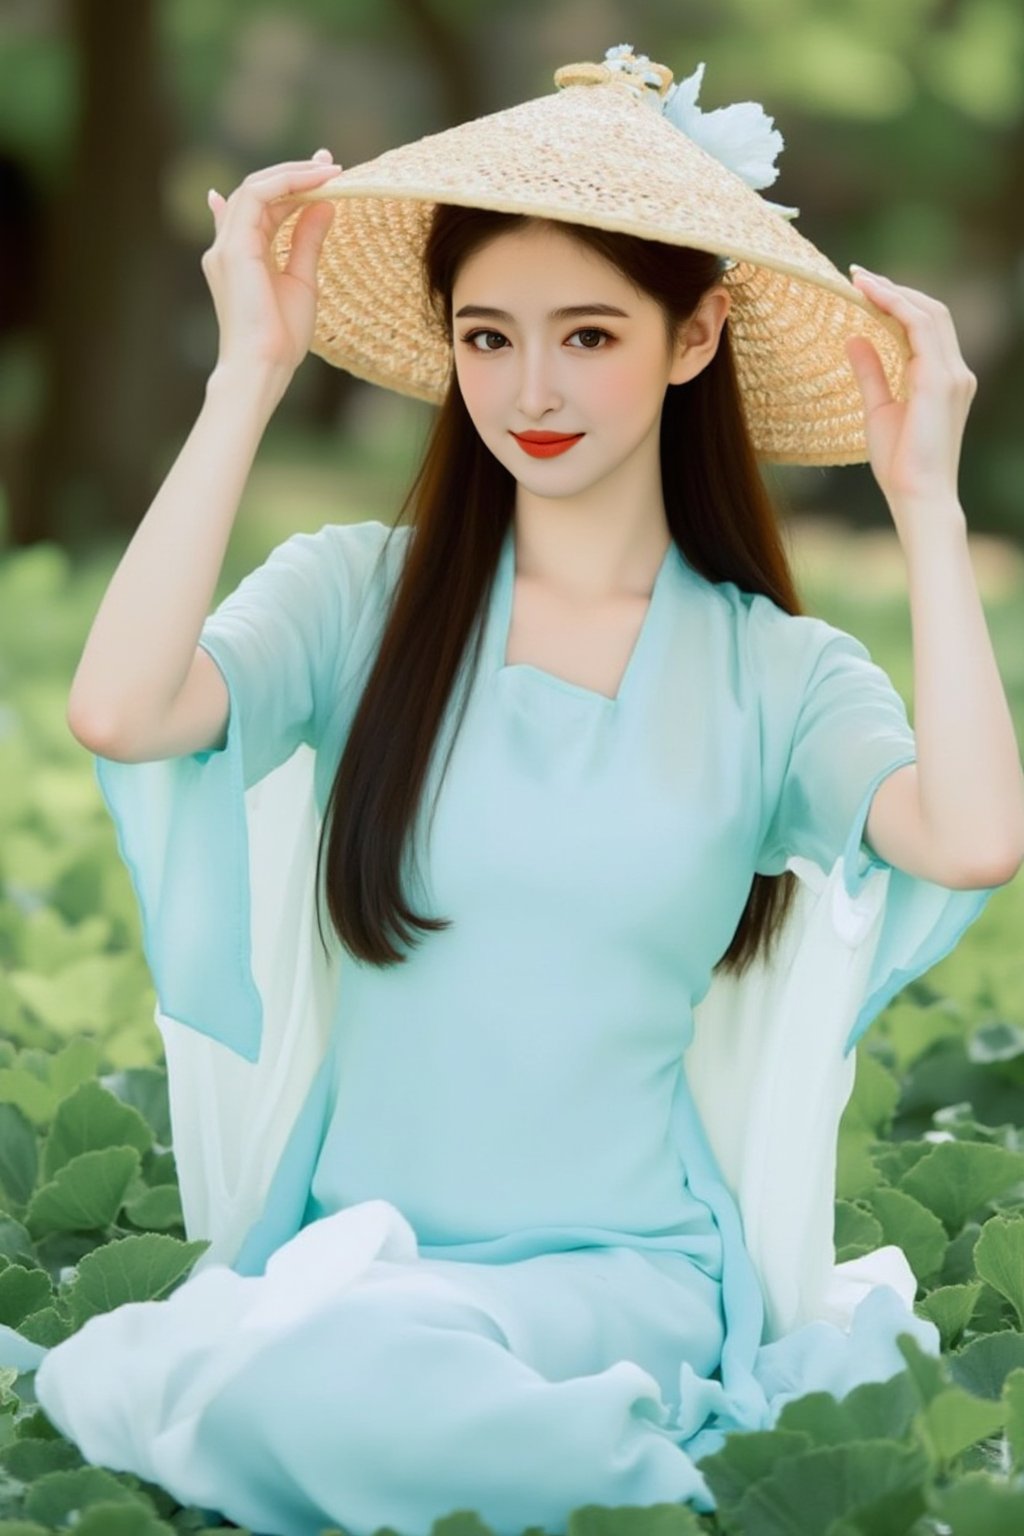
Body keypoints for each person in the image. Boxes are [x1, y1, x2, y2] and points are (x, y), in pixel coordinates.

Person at [2, 43, 1021, 1536]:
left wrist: (924, 502)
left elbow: (977, 835)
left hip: (624, 1278)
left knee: (308, 1401)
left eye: (590, 337)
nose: (529, 390)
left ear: (693, 338)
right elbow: (123, 708)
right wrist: (245, 380)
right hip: (363, 1257)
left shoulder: (779, 676)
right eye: (487, 337)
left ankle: (617, 1453)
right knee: (287, 1379)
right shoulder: (356, 594)